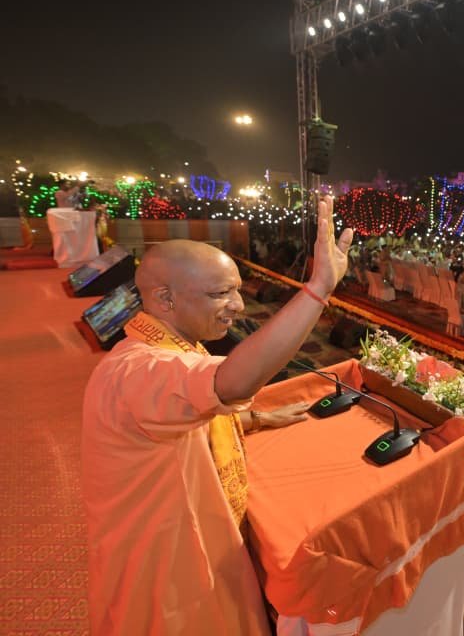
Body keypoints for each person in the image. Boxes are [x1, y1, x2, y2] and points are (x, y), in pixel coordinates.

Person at [81, 196, 354, 635]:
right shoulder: (137, 370)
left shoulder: (169, 350)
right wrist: (317, 289)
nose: (238, 307)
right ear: (165, 299)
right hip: (168, 577)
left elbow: (187, 424)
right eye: (220, 294)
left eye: (237, 291)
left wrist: (260, 418)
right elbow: (230, 383)